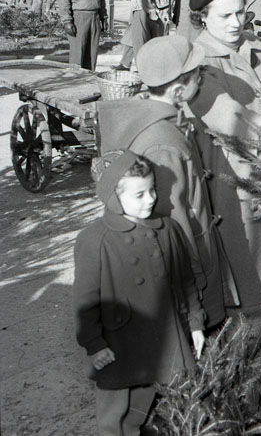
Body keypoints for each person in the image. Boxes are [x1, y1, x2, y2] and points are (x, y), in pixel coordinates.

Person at [98, 35, 237, 326]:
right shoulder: (164, 143)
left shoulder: (153, 118)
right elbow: (173, 217)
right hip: (187, 267)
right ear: (177, 90)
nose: (202, 77)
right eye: (197, 75)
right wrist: (195, 279)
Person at [73, 150, 205, 436]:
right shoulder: (95, 240)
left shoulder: (168, 229)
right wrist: (94, 344)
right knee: (116, 415)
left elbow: (186, 281)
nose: (151, 199)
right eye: (139, 195)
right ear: (113, 197)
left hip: (167, 336)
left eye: (153, 189)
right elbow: (86, 301)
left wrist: (195, 323)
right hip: (120, 343)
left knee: (167, 400)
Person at [187, 0, 261, 313]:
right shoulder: (198, 60)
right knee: (246, 276)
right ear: (203, 17)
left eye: (240, 12)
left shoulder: (257, 46)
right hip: (233, 177)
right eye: (225, 15)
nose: (236, 23)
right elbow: (228, 115)